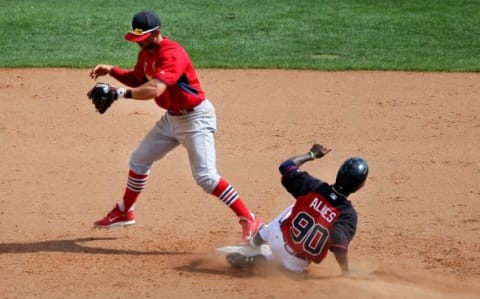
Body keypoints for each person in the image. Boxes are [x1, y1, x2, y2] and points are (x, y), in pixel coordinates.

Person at [87, 10, 262, 241]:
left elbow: (154, 89)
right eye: (136, 40)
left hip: (196, 119)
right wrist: (112, 71)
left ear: (157, 33)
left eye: (143, 39)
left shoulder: (172, 54)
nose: (139, 45)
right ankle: (124, 211)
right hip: (172, 119)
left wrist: (118, 93)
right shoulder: (146, 53)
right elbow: (140, 79)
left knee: (206, 177)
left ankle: (249, 218)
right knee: (139, 159)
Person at [226, 143, 368, 274]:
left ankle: (251, 244)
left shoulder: (313, 187)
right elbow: (338, 245)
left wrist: (311, 154)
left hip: (276, 238)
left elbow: (286, 166)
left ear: (339, 174)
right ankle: (261, 261)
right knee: (315, 228)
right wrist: (346, 271)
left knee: (297, 205)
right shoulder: (347, 214)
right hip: (296, 264)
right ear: (359, 186)